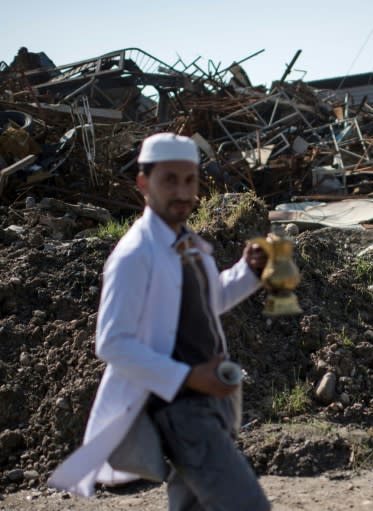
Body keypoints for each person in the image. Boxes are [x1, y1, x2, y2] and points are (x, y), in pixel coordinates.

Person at [48, 133, 272, 510]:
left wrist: (248, 272)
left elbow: (208, 303)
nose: (182, 192)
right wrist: (187, 377)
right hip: (179, 408)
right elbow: (112, 342)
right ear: (143, 183)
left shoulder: (188, 245)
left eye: (190, 180)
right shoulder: (136, 253)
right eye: (170, 180)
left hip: (209, 398)